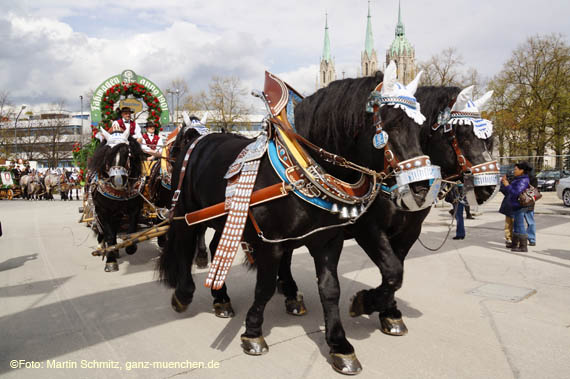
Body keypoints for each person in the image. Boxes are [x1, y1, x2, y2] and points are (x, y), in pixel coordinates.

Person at [501, 161, 532, 252]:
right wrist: (504, 183)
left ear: (521, 170)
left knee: (520, 225)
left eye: (515, 169)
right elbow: (509, 192)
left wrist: (507, 185)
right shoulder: (518, 179)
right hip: (514, 205)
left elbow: (515, 193)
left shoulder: (523, 180)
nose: (514, 171)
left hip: (519, 206)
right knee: (516, 225)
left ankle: (523, 246)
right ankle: (514, 244)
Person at [499, 176, 514, 248]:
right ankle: (509, 239)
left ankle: (514, 239)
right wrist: (503, 182)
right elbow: (503, 190)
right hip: (509, 206)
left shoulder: (520, 181)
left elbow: (513, 192)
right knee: (508, 224)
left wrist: (507, 185)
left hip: (516, 206)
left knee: (514, 224)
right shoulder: (511, 181)